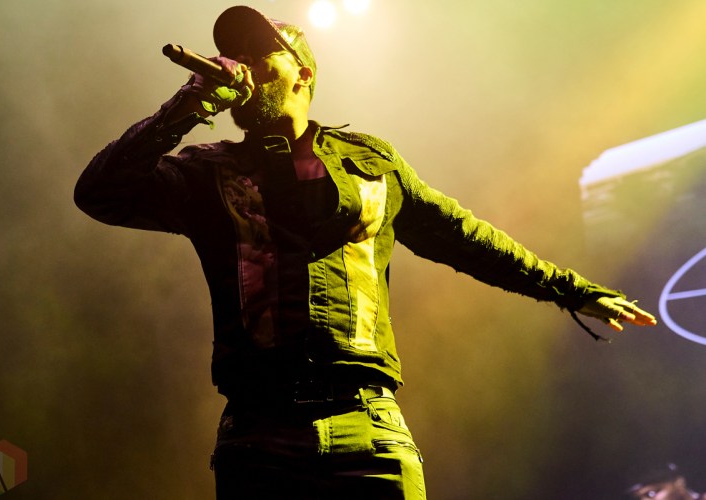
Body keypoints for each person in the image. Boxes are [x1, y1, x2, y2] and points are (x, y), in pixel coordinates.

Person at [74, 5, 657, 499]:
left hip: (369, 428)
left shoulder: (371, 160)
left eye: (259, 54)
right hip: (258, 432)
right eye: (234, 55)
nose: (241, 65)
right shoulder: (207, 173)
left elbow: (466, 238)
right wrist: (186, 106)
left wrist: (574, 291)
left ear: (302, 74)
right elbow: (100, 192)